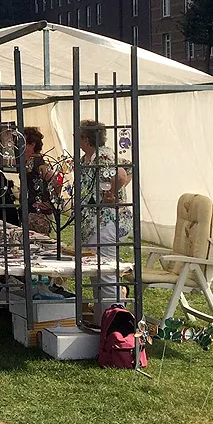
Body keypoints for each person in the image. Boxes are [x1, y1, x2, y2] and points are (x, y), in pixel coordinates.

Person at [78, 119, 132, 317]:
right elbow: (129, 167)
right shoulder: (90, 157)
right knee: (97, 271)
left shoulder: (103, 156)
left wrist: (112, 193)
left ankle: (115, 322)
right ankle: (104, 320)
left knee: (105, 271)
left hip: (107, 222)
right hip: (96, 223)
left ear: (86, 138)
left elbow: (121, 172)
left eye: (78, 136)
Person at [23, 126, 58, 235]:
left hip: (39, 214)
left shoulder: (39, 163)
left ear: (32, 144)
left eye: (24, 143)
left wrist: (50, 202)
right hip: (29, 210)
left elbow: (56, 182)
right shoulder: (27, 161)